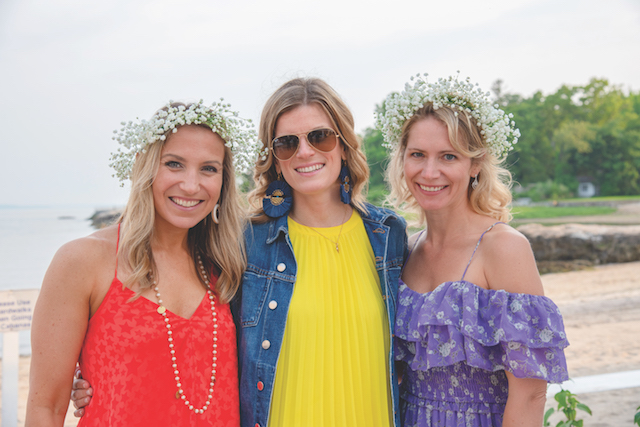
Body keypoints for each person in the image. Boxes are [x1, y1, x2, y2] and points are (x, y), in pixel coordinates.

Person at [70, 78, 407, 427]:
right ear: (274, 159)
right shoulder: (243, 243)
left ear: (345, 144)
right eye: (287, 143)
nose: (305, 152)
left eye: (320, 136)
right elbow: (189, 339)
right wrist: (101, 379)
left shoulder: (389, 236)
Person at [26, 100, 259, 427]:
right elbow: (45, 410)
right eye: (174, 164)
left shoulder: (229, 266)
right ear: (142, 166)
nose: (191, 185)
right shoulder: (83, 261)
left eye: (209, 168)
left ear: (223, 182)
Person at [376, 74, 570, 426]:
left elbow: (530, 394)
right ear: (402, 160)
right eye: (417, 154)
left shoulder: (503, 247)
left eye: (448, 156)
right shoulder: (403, 249)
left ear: (475, 165)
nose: (429, 171)